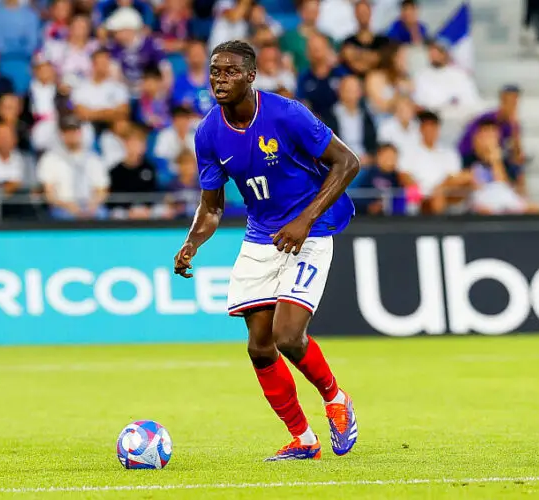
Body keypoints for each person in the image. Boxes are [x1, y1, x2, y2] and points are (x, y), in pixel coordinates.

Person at [173, 40, 360, 461]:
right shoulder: (208, 133)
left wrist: (305, 219)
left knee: (288, 336)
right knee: (259, 347)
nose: (220, 79)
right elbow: (212, 206)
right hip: (261, 237)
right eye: (215, 72)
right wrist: (192, 242)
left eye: (230, 72)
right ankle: (302, 439)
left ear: (251, 76)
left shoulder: (286, 113)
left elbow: (347, 163)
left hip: (310, 231)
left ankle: (335, 399)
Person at [398, 110, 473, 214]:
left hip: (445, 194)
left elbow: (454, 177)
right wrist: (419, 195)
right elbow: (404, 176)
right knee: (436, 197)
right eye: (426, 127)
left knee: (468, 177)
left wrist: (440, 189)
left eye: (433, 127)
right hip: (420, 197)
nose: (430, 131)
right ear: (420, 129)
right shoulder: (409, 151)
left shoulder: (449, 153)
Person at [37, 114, 109, 220]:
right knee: (63, 215)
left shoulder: (93, 159)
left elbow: (102, 190)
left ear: (80, 132)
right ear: (61, 134)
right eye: (67, 131)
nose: (71, 135)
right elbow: (49, 194)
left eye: (74, 130)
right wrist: (69, 206)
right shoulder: (50, 159)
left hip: (90, 206)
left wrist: (92, 206)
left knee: (103, 214)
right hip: (63, 208)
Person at [458, 85, 526, 192]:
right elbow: (476, 142)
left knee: (518, 170)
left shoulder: (513, 125)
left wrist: (514, 127)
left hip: (494, 155)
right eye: (509, 100)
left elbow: (517, 155)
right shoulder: (487, 119)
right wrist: (491, 154)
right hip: (472, 156)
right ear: (502, 100)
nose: (512, 105)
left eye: (515, 101)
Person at [321, 75, 377, 166]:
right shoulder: (330, 116)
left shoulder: (367, 116)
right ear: (340, 92)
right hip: (341, 162)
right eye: (348, 90)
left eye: (355, 90)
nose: (352, 94)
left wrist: (370, 157)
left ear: (360, 93)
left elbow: (373, 144)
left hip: (364, 162)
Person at [108, 126, 159, 219]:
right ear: (125, 144)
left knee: (162, 211)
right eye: (132, 143)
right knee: (116, 213)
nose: (135, 147)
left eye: (138, 143)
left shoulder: (150, 168)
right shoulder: (115, 171)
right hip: (124, 211)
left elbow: (154, 192)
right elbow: (114, 197)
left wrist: (146, 209)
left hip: (147, 210)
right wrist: (129, 211)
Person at [296, 32, 345, 117]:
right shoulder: (303, 77)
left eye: (318, 49)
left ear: (328, 49)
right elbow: (302, 104)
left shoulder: (341, 74)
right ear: (307, 53)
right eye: (312, 49)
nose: (315, 53)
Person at [340, 0, 389, 77]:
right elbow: (351, 61)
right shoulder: (348, 41)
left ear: (370, 13)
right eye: (360, 12)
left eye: (365, 12)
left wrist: (356, 54)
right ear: (355, 14)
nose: (362, 15)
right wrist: (371, 57)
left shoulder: (382, 41)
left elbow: (379, 58)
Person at [170, 39, 216, 117]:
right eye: (193, 54)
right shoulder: (180, 82)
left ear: (206, 56)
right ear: (186, 57)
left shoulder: (217, 79)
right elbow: (179, 107)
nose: (196, 58)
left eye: (199, 54)